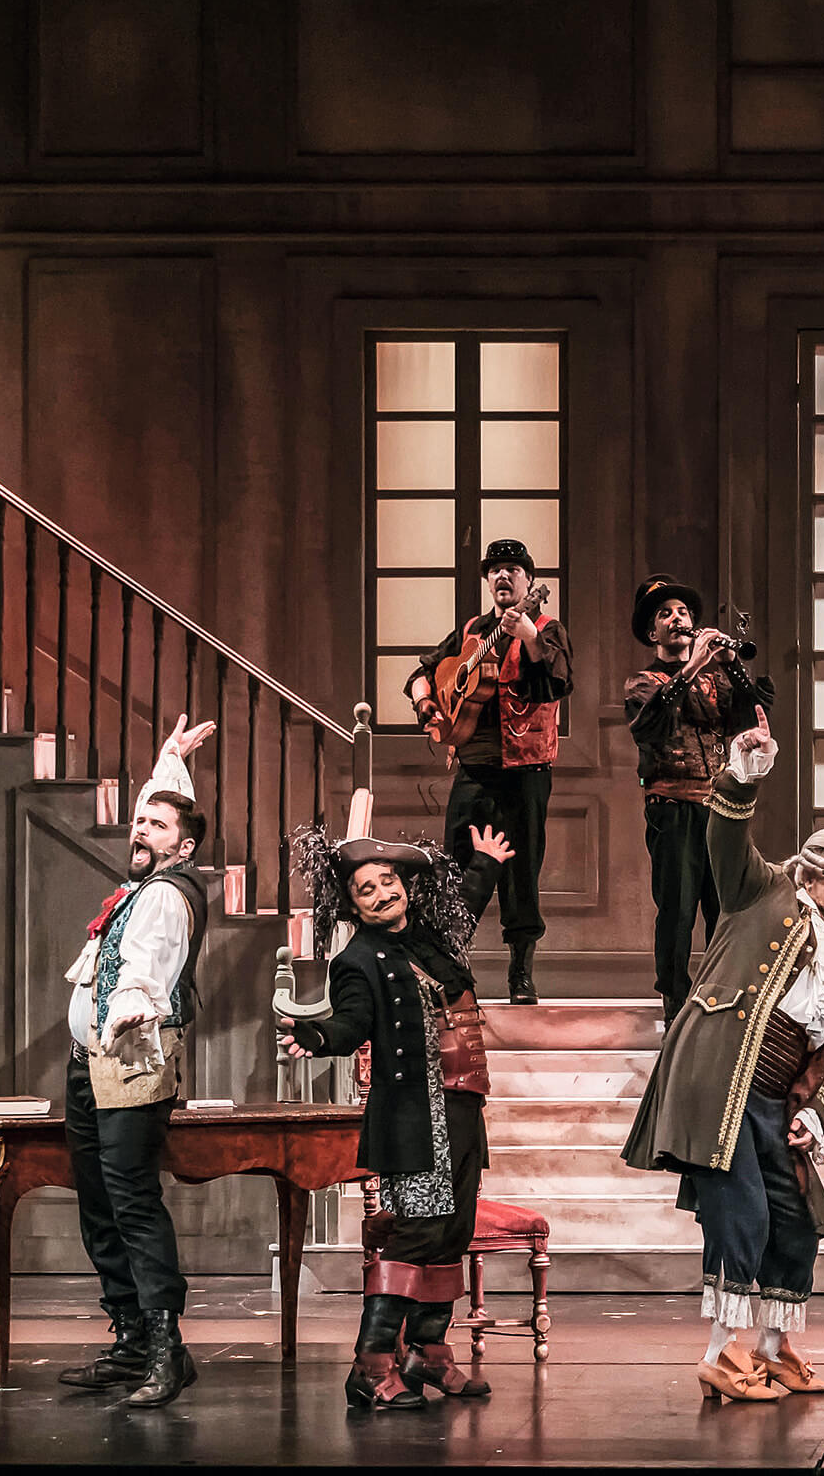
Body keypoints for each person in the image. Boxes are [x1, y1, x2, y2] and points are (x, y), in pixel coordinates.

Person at [622, 709, 824, 1404]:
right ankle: (721, 1353)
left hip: (775, 1104)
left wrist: (813, 1111)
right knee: (743, 1217)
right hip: (720, 1084)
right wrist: (742, 773)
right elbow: (726, 835)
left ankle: (772, 1345)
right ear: (814, 874)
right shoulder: (760, 891)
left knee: (797, 1220)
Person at [277, 821, 516, 1410]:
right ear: (352, 905)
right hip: (416, 1115)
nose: (383, 894)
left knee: (452, 1230)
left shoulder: (433, 938)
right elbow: (350, 1021)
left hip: (463, 1106)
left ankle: (428, 1353)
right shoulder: (359, 959)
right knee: (415, 1234)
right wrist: (316, 1036)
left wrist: (485, 863)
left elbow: (466, 904)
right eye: (367, 889)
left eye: (389, 881)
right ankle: (372, 1363)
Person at [56, 713, 214, 1409]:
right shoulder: (146, 883)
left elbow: (146, 967)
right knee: (99, 1202)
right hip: (90, 1061)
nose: (140, 830)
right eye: (139, 821)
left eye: (156, 825)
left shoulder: (166, 897)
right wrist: (170, 761)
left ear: (184, 846)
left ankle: (164, 1348)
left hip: (131, 1059)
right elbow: (166, 803)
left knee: (131, 1202)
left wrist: (127, 1006)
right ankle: (128, 1341)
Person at [406, 537, 574, 1005]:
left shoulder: (547, 629)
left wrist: (530, 638)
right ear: (487, 581)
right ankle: (450, 967)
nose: (503, 575)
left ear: (529, 581)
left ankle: (521, 972)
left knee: (521, 872)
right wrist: (426, 704)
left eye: (512, 569)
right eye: (495, 569)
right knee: (456, 868)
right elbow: (421, 675)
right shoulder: (471, 631)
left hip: (525, 771)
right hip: (474, 769)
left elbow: (556, 683)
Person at [623, 574, 775, 1025]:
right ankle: (674, 1002)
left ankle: (718, 995)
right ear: (652, 632)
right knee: (677, 909)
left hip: (717, 808)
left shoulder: (716, 680)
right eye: (665, 614)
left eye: (683, 612)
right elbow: (651, 726)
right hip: (671, 808)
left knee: (723, 906)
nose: (677, 619)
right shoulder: (642, 682)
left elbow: (753, 711)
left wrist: (730, 663)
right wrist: (692, 666)